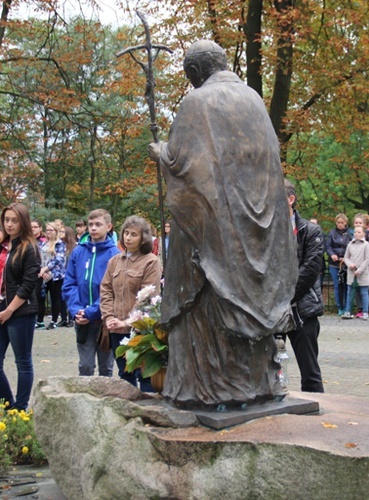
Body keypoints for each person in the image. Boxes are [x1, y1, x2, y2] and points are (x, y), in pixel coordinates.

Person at [149, 40, 296, 409]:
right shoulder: (254, 100)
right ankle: (259, 385)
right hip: (253, 228)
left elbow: (185, 165)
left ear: (195, 73)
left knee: (204, 303)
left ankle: (209, 391)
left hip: (212, 230)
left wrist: (161, 154)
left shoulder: (197, 102)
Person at [0, 202, 40, 411]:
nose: (9, 224)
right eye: (6, 220)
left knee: (22, 361)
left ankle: (21, 408)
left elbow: (28, 284)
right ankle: (9, 405)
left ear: (23, 222)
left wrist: (9, 310)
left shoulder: (29, 248)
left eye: (14, 220)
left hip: (20, 312)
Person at [100, 216, 161, 391]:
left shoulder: (150, 261)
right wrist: (109, 317)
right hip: (116, 328)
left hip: (140, 330)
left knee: (145, 376)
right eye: (126, 233)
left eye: (133, 234)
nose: (128, 237)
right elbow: (105, 290)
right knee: (124, 374)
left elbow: (148, 297)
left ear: (143, 238)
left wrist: (128, 322)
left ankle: (147, 414)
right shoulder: (114, 261)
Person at [63, 209, 120, 377]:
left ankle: (104, 402)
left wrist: (93, 311)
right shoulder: (78, 252)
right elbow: (69, 283)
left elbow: (113, 289)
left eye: (98, 224)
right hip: (82, 319)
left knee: (106, 368)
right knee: (85, 366)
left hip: (104, 319)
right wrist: (76, 310)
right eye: (91, 224)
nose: (93, 228)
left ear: (108, 227)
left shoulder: (115, 255)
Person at [283, 180, 325, 392]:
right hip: (273, 312)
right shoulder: (264, 232)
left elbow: (310, 270)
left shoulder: (311, 231)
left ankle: (319, 421)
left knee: (310, 372)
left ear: (291, 199)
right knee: (270, 370)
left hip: (302, 309)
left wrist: (286, 296)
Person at [341, 226, 369, 320]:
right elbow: (346, 257)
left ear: (363, 233)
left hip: (362, 272)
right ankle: (348, 311)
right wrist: (349, 264)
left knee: (364, 292)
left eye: (359, 232)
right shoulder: (350, 244)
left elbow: (367, 259)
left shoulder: (366, 244)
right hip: (351, 272)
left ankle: (365, 312)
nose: (356, 234)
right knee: (349, 292)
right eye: (355, 232)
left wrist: (360, 270)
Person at [39, 222, 66, 330]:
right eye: (47, 230)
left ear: (56, 232)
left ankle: (54, 320)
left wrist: (46, 269)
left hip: (56, 276)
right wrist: (42, 270)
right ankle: (39, 320)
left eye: (51, 230)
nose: (49, 232)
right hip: (43, 275)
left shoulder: (60, 244)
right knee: (41, 297)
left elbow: (59, 260)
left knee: (55, 298)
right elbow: (39, 258)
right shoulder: (43, 244)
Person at [325, 214, 353, 315]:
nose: (340, 225)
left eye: (342, 223)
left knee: (346, 285)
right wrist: (332, 254)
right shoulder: (332, 233)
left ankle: (347, 307)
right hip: (334, 264)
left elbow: (353, 246)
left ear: (345, 223)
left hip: (346, 263)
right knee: (337, 285)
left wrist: (347, 257)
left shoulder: (350, 233)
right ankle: (339, 306)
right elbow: (328, 246)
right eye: (338, 223)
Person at [31, 219, 47, 329]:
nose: (33, 229)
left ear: (40, 228)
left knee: (40, 296)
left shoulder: (44, 241)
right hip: (30, 272)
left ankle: (40, 320)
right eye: (31, 227)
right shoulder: (27, 240)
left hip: (42, 272)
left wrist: (43, 270)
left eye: (35, 227)